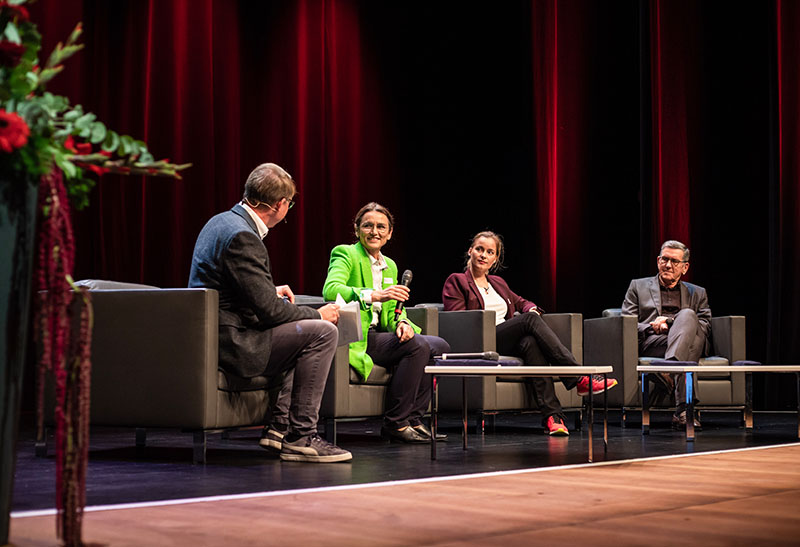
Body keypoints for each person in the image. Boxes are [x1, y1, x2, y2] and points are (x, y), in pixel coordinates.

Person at [188, 163, 351, 463]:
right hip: (233, 342)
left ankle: (278, 429)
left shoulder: (221, 222)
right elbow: (270, 313)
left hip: (220, 331)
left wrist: (268, 289)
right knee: (321, 333)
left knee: (298, 329)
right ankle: (301, 437)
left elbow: (228, 286)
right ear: (281, 204)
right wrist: (318, 315)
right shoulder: (243, 236)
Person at [442, 231, 617, 436]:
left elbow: (522, 302)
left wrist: (531, 308)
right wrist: (529, 316)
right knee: (530, 321)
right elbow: (458, 320)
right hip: (479, 339)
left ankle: (553, 417)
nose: (483, 255)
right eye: (479, 249)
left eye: (490, 252)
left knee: (530, 343)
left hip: (505, 339)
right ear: (470, 251)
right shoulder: (457, 281)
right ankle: (577, 377)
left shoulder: (498, 283)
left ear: (495, 259)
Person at [322, 202, 451, 443]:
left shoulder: (389, 265)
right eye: (368, 226)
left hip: (381, 334)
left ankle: (414, 418)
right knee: (418, 346)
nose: (374, 232)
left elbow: (393, 311)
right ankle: (396, 423)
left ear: (390, 233)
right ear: (357, 229)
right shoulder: (346, 253)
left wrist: (402, 323)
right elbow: (331, 289)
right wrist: (374, 294)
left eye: (381, 227)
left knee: (440, 346)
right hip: (357, 336)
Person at [621, 239, 711, 429]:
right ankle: (684, 410)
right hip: (653, 342)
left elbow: (705, 325)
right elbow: (625, 323)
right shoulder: (638, 286)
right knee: (692, 343)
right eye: (664, 259)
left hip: (684, 341)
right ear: (658, 261)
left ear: (685, 267)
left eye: (674, 261)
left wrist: (670, 322)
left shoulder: (698, 293)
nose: (668, 265)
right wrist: (651, 327)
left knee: (688, 316)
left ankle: (669, 368)